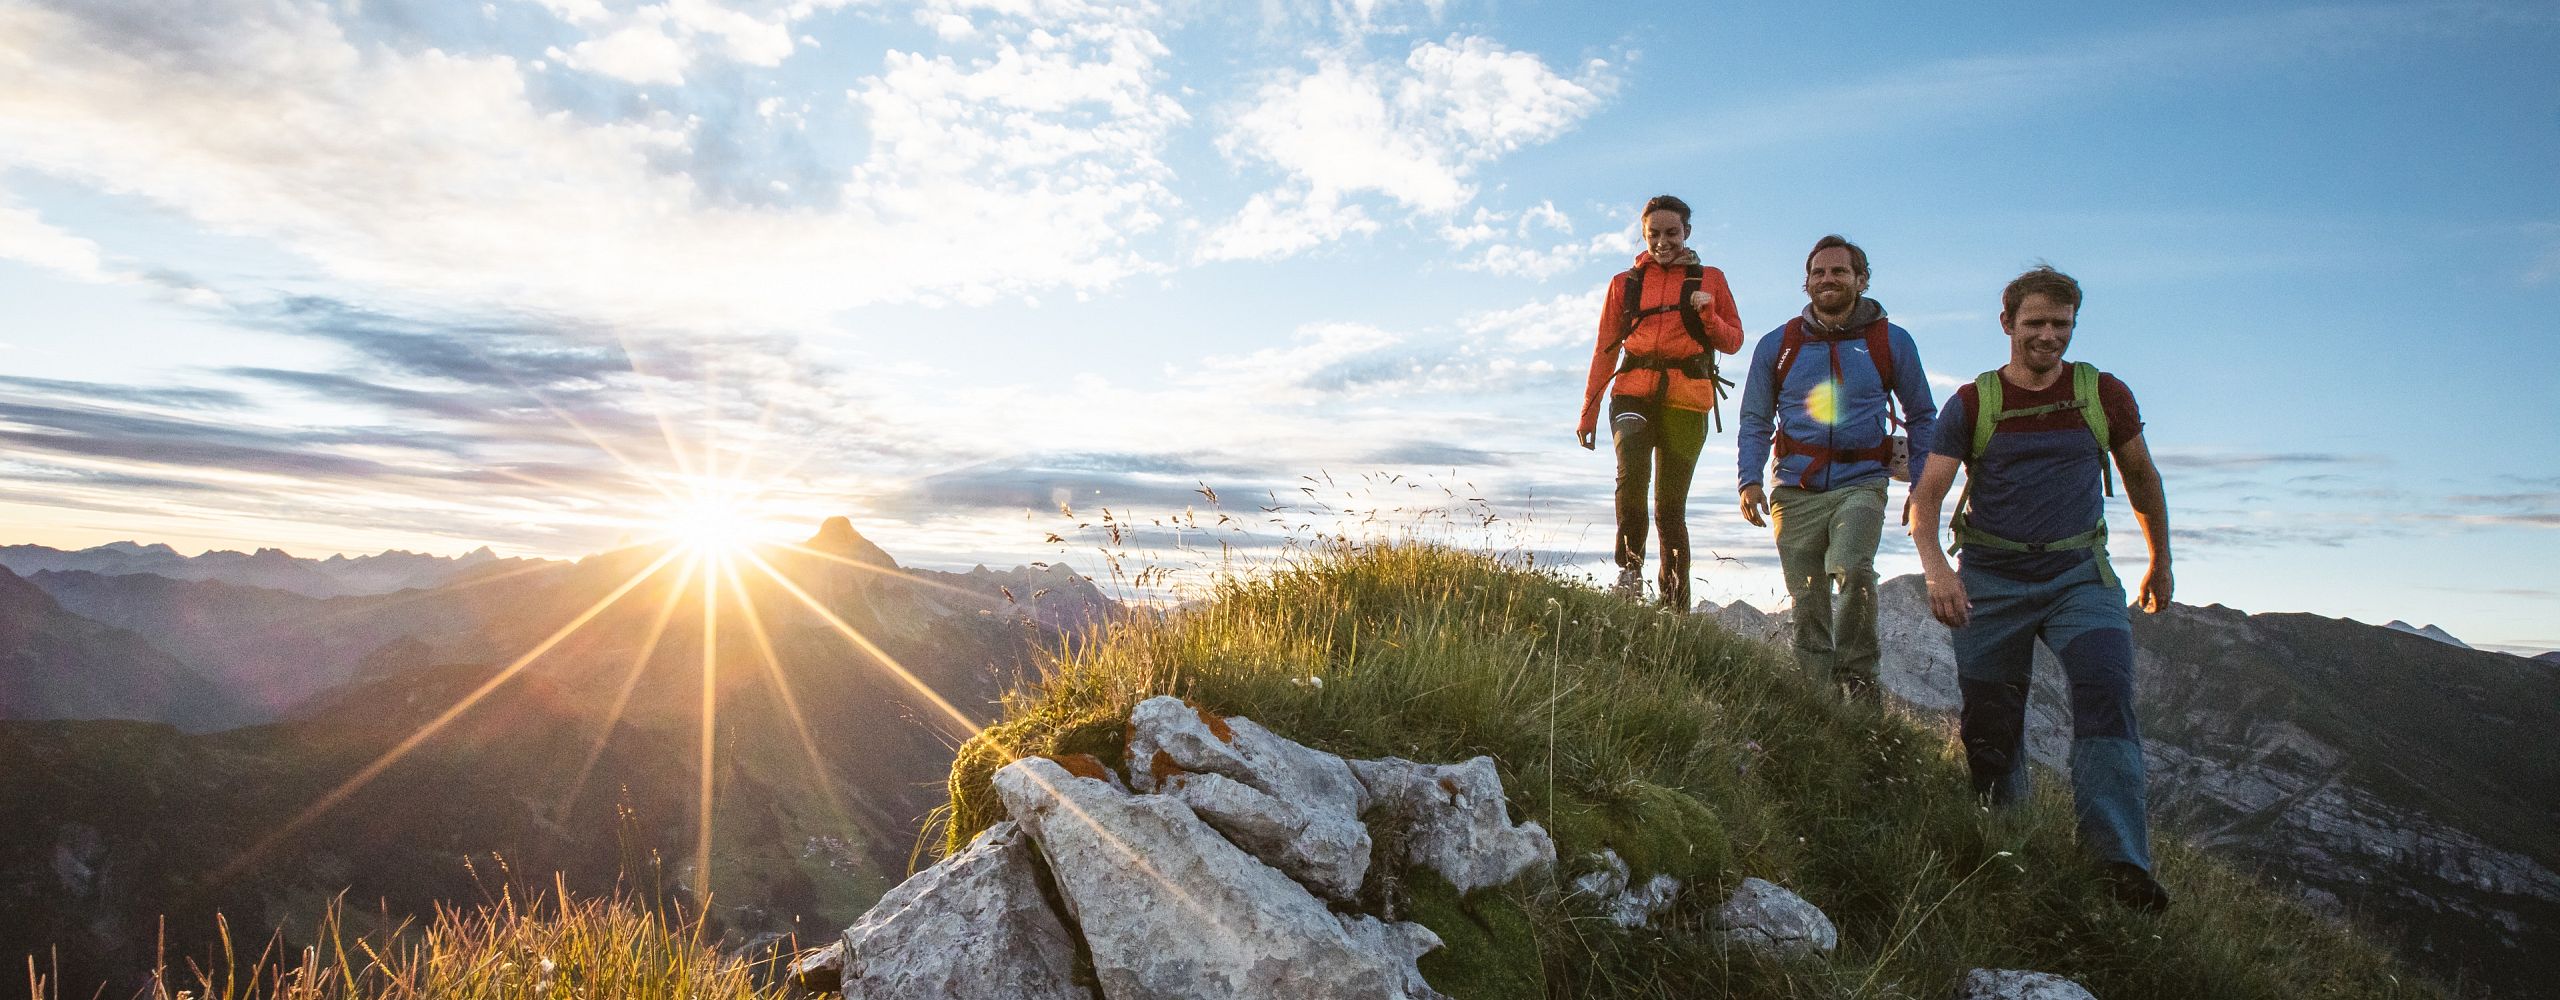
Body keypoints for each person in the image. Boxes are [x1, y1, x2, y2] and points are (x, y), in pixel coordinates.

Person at [1907, 265, 2174, 911]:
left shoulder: (2104, 394)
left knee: (2106, 691)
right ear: (2007, 324)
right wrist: (1938, 569)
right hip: (1993, 581)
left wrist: (2160, 562)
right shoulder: (1974, 403)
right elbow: (1927, 498)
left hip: (2079, 575)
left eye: (2061, 324)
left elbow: (2141, 478)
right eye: (2035, 324)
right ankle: (2007, 846)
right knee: (1991, 726)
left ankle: (2118, 865)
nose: (2048, 336)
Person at [1735, 236, 1937, 699]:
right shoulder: (1778, 345)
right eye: (1819, 273)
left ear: (1861, 280)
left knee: (1852, 568)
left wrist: (1923, 487)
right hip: (1793, 486)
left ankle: (1860, 685)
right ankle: (1816, 703)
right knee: (1806, 598)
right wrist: (1749, 479)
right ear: (1805, 283)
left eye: (1839, 272)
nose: (1828, 279)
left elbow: (1924, 415)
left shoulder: (1890, 341)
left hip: (1862, 483)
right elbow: (1755, 418)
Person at [1576, 194, 1744, 611]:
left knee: (1670, 506)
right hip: (1631, 391)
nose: (1663, 242)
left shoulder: (1713, 279)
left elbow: (1734, 341)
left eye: (1672, 233)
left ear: (1687, 232)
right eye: (1654, 234)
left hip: (1687, 400)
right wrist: (1589, 410)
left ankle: (1673, 609)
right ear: (1643, 234)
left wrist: (1708, 315)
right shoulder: (1624, 283)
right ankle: (1629, 572)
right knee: (1631, 474)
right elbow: (1604, 349)